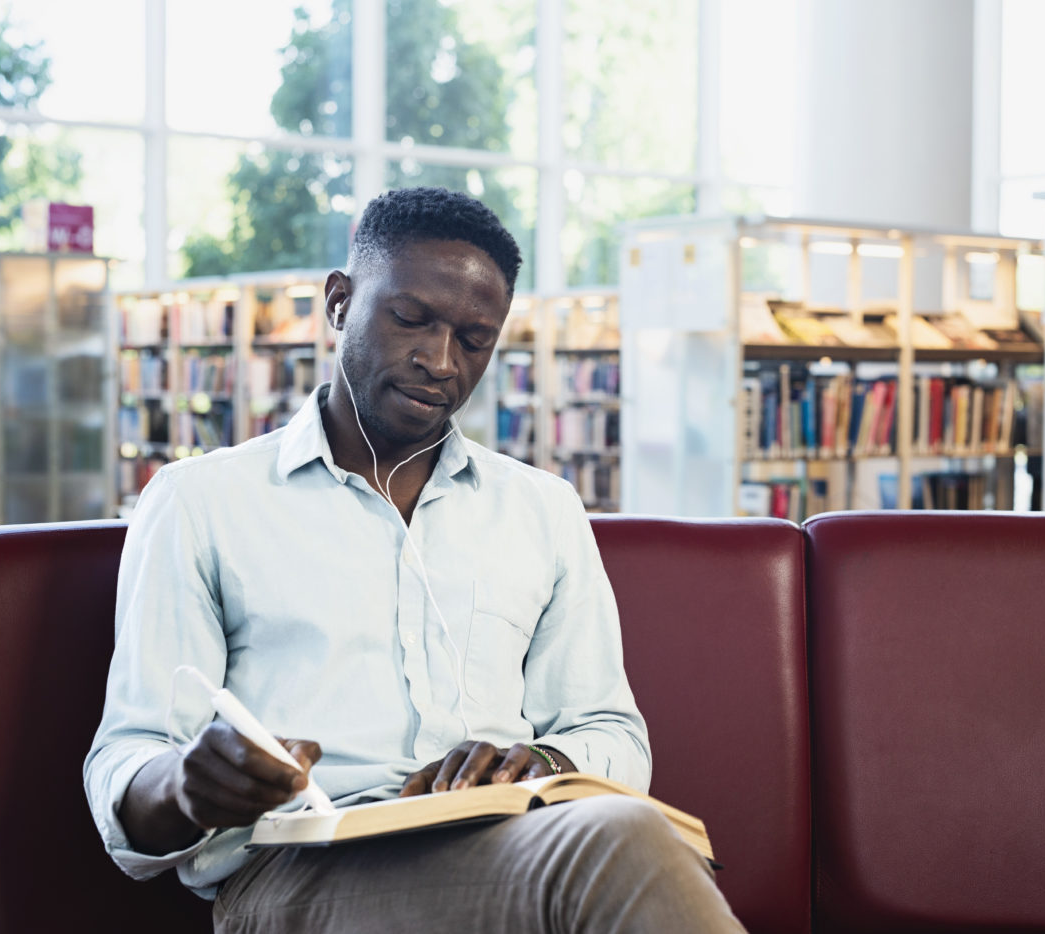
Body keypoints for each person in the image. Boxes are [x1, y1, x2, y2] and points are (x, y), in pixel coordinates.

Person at [84, 187, 745, 932]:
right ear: (340, 303)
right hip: (298, 874)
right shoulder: (199, 501)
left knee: (615, 841)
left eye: (474, 340)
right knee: (620, 847)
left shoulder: (543, 509)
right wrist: (184, 787)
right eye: (410, 320)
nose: (438, 361)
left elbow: (612, 732)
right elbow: (127, 755)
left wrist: (548, 764)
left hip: (511, 845)